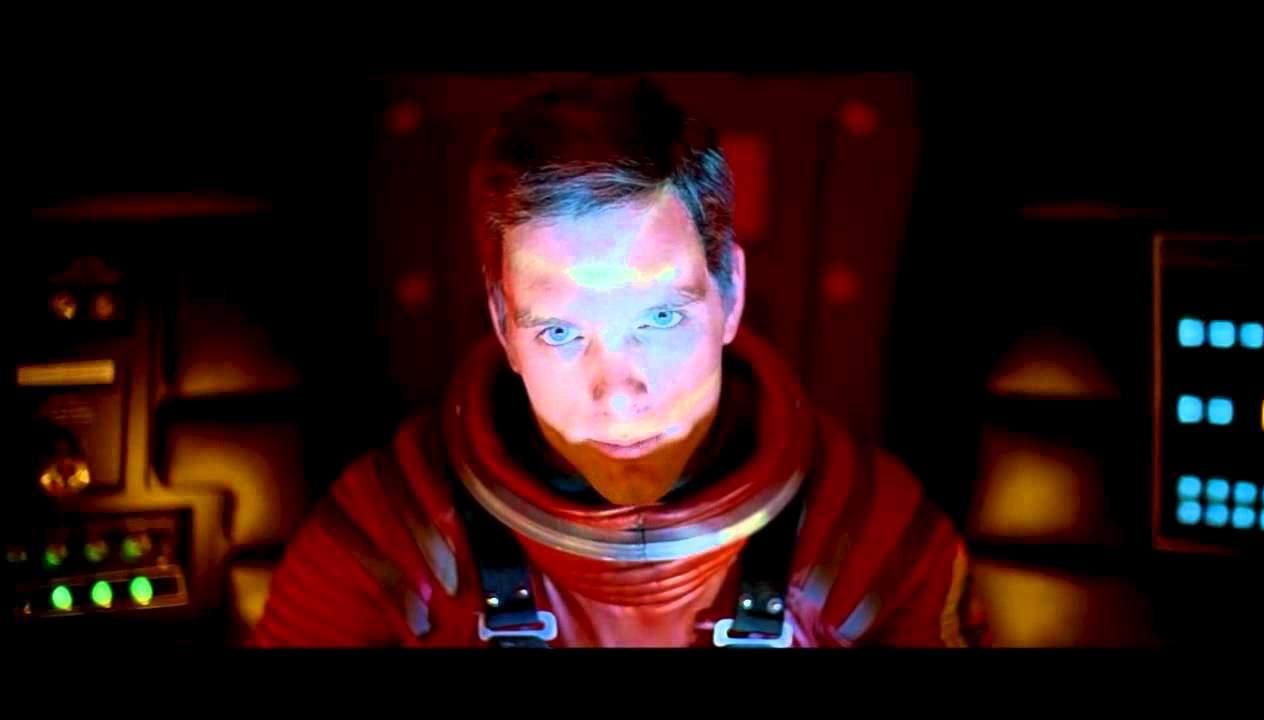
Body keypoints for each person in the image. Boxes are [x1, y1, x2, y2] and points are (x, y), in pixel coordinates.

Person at [251, 76, 988, 648]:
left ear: (731, 295)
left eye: (660, 318)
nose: (620, 396)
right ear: (503, 324)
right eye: (561, 332)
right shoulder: (383, 539)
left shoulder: (877, 546)